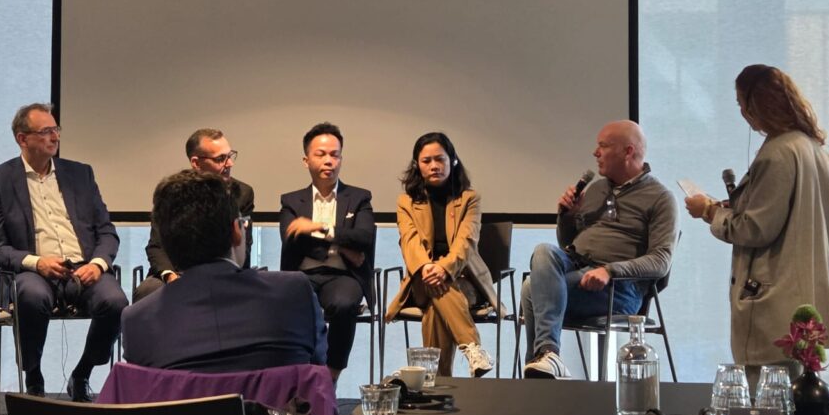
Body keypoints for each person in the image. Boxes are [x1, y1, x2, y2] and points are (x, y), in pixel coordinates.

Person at [685, 64, 829, 374]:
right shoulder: (817, 151)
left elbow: (755, 229)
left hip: (774, 306)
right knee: (799, 394)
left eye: (741, 103)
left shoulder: (777, 153)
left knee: (767, 397)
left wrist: (709, 211)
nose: (743, 114)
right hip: (805, 307)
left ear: (755, 104)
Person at [0, 103, 127, 402]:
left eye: (56, 129)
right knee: (31, 296)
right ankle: (33, 375)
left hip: (84, 267)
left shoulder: (80, 174)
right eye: (46, 131)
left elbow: (106, 231)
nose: (55, 137)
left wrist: (98, 264)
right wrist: (37, 263)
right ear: (22, 139)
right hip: (35, 270)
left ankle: (82, 373)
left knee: (116, 302)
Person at [122, 170, 327, 371]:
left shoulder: (138, 320)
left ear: (167, 243)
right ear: (237, 232)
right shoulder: (294, 293)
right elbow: (317, 375)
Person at [522, 120, 678, 379]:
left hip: (619, 290)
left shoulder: (661, 198)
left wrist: (610, 270)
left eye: (603, 146)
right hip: (577, 269)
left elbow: (661, 261)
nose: (595, 153)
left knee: (530, 289)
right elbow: (567, 244)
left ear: (628, 151)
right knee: (543, 251)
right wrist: (567, 217)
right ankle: (548, 357)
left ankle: (541, 366)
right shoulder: (596, 189)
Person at [385, 132, 497, 377]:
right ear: (417, 165)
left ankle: (437, 380)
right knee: (436, 285)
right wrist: (428, 268)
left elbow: (467, 241)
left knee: (437, 303)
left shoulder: (469, 199)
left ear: (452, 161)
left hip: (463, 278)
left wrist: (444, 269)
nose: (434, 166)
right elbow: (409, 241)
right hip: (422, 278)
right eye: (426, 161)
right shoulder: (406, 202)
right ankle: (472, 346)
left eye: (440, 159)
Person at [280, 123, 375, 384]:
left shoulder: (359, 198)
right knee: (293, 306)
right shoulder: (291, 200)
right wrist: (343, 244)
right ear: (306, 160)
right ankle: (307, 373)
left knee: (344, 304)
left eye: (335, 154)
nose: (329, 161)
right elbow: (291, 239)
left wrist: (318, 227)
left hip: (343, 275)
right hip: (302, 275)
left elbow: (365, 238)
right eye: (321, 154)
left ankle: (332, 373)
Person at [134, 128, 255, 301]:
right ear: (196, 163)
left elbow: (244, 246)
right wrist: (171, 277)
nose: (229, 164)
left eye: (230, 156)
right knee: (148, 290)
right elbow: (156, 246)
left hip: (223, 271)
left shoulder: (241, 193)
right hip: (176, 272)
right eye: (220, 159)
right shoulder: (173, 192)